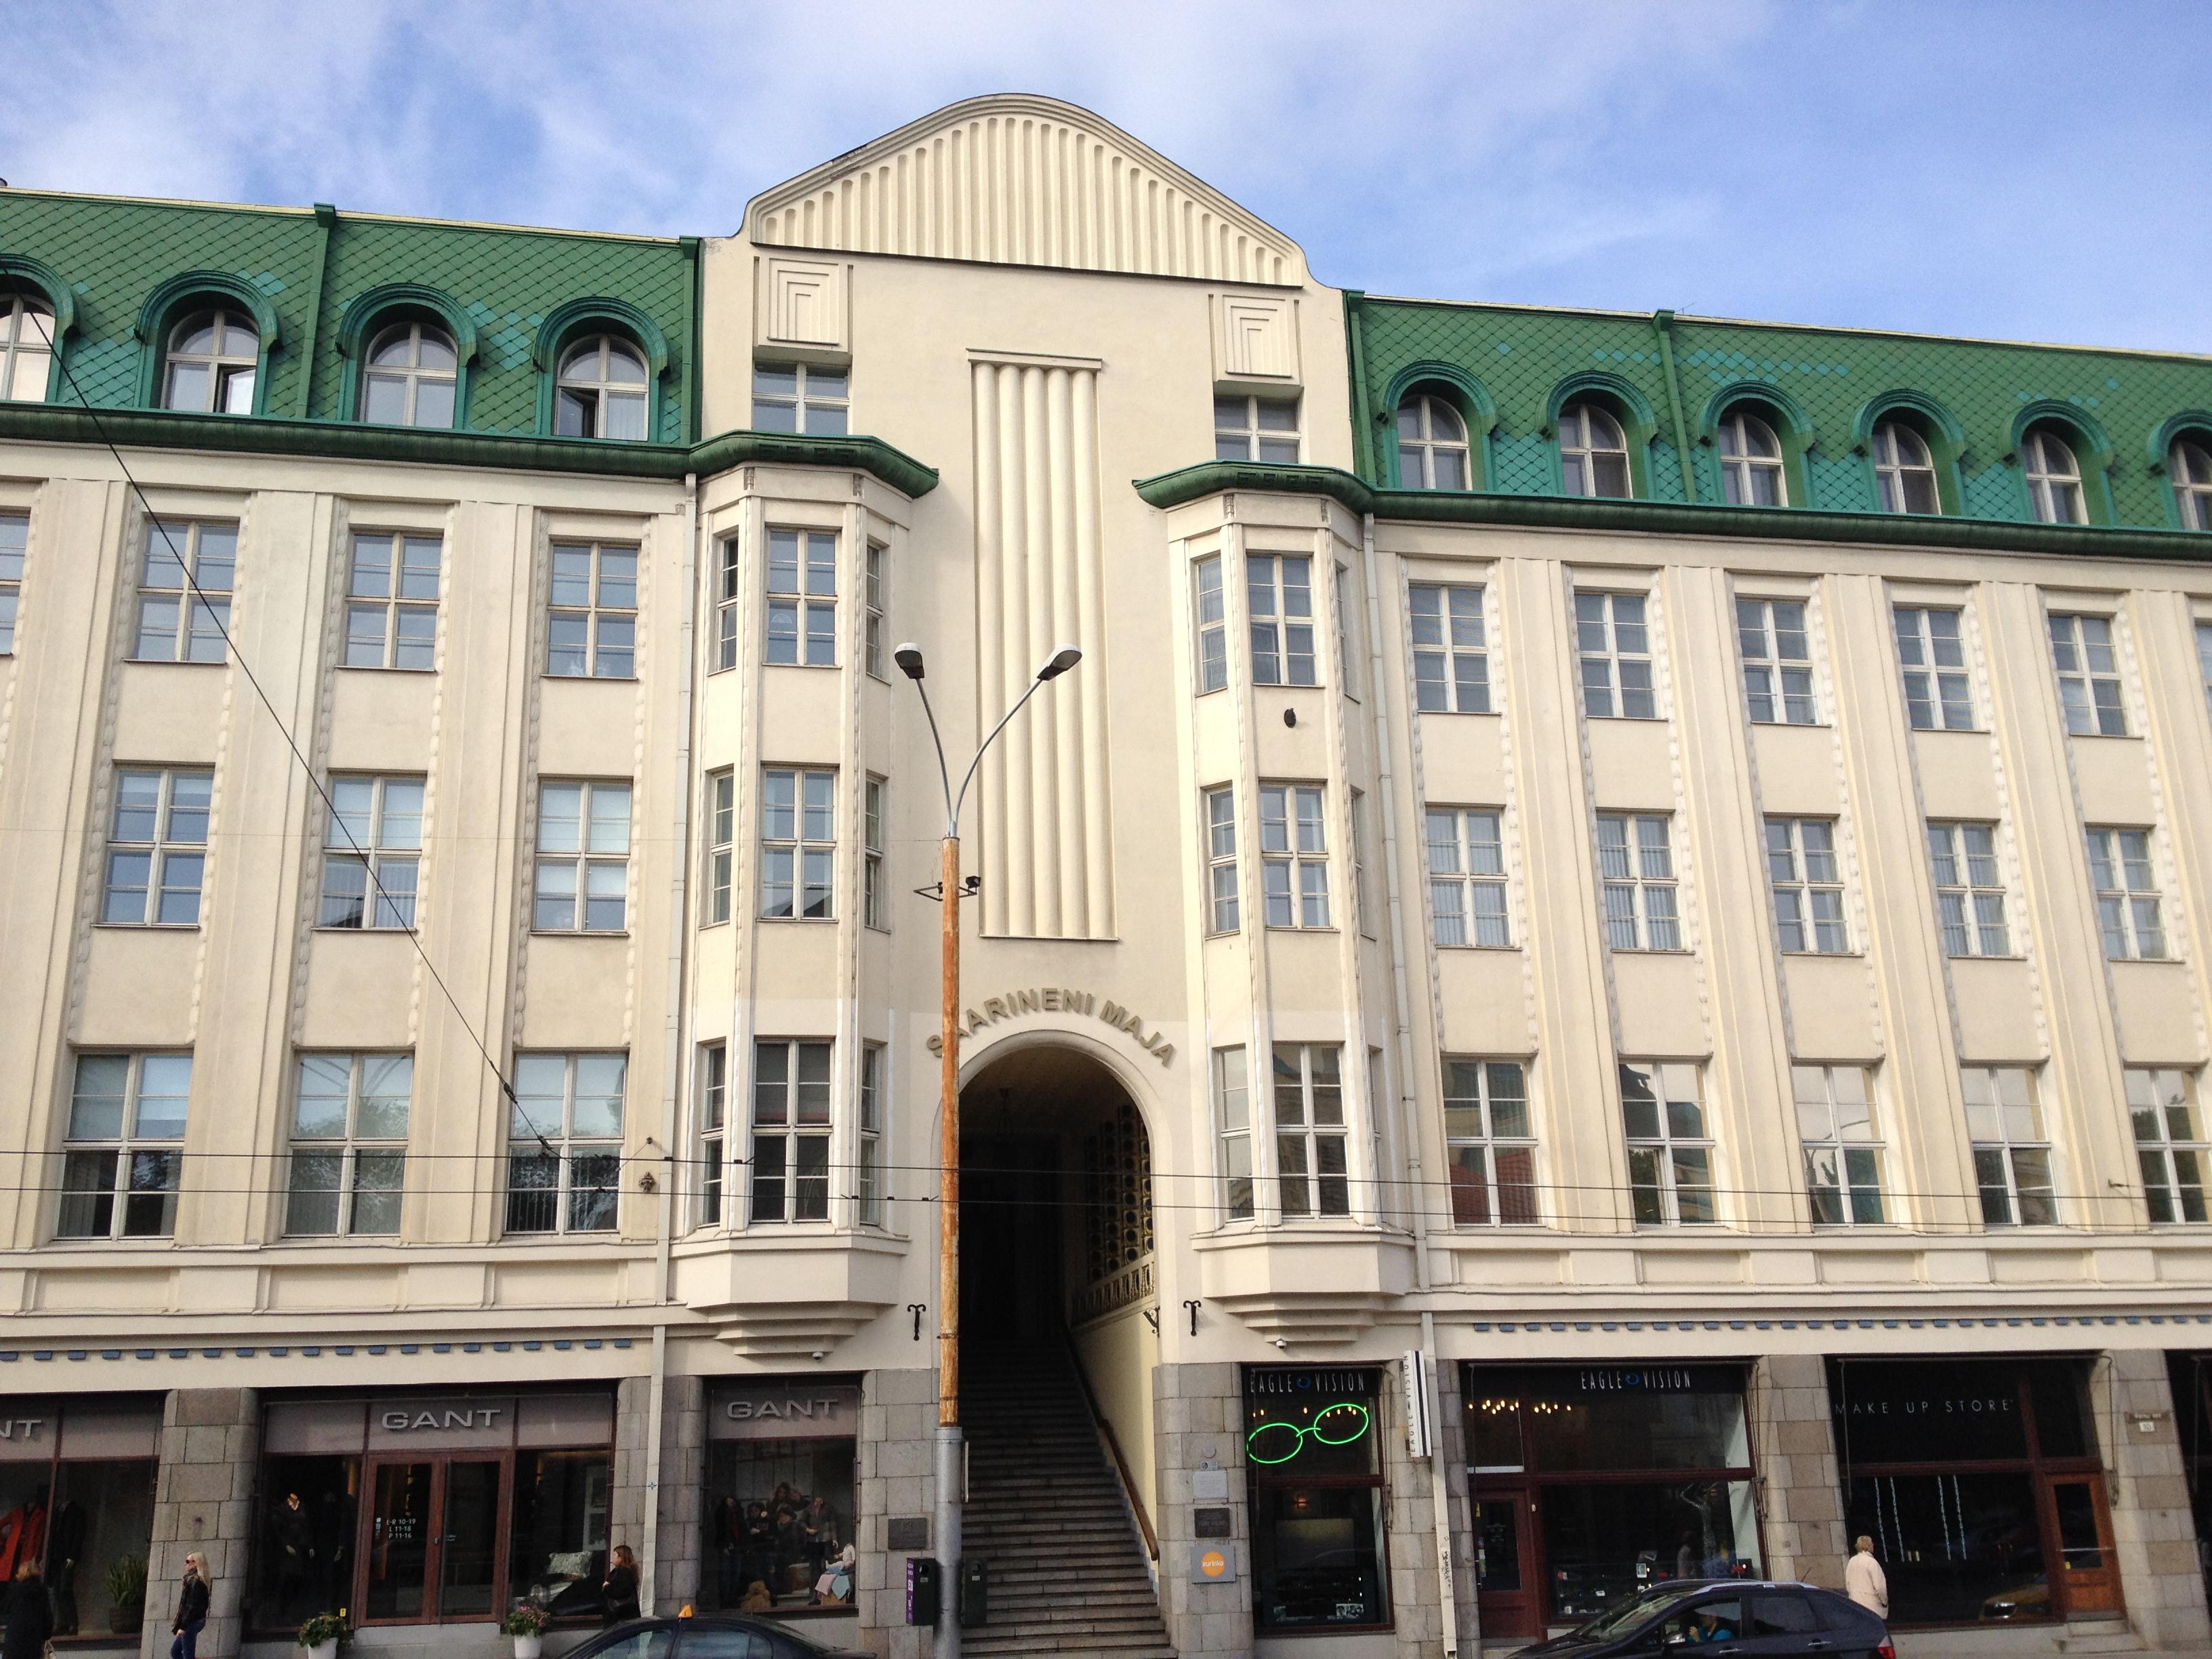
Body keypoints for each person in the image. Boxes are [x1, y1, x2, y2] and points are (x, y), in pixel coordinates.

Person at [4, 1561, 53, 1659]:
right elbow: (47, 1617)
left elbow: (6, 1609)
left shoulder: (14, 1590)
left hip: (14, 1641)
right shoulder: (42, 1591)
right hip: (33, 1643)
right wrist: (45, 1636)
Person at [170, 1554, 209, 1659]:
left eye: (188, 1561)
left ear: (196, 1564)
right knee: (175, 1651)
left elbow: (192, 1606)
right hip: (194, 1621)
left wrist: (184, 1627)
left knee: (187, 1655)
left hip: (192, 1622)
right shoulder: (195, 1580)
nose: (185, 1564)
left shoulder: (195, 1582)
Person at [1845, 1534, 1889, 1619]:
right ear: (1868, 1546)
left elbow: (1848, 1584)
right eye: (1871, 1544)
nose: (1873, 1545)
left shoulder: (1851, 1561)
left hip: (1856, 1604)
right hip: (1872, 1606)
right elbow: (1880, 1587)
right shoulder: (1872, 1562)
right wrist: (1884, 1601)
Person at [600, 1544, 640, 1626]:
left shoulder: (624, 1572)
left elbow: (620, 1591)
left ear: (621, 1557)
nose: (613, 1558)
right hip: (620, 1615)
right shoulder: (619, 1571)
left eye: (615, 1555)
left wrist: (606, 1587)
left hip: (621, 1616)